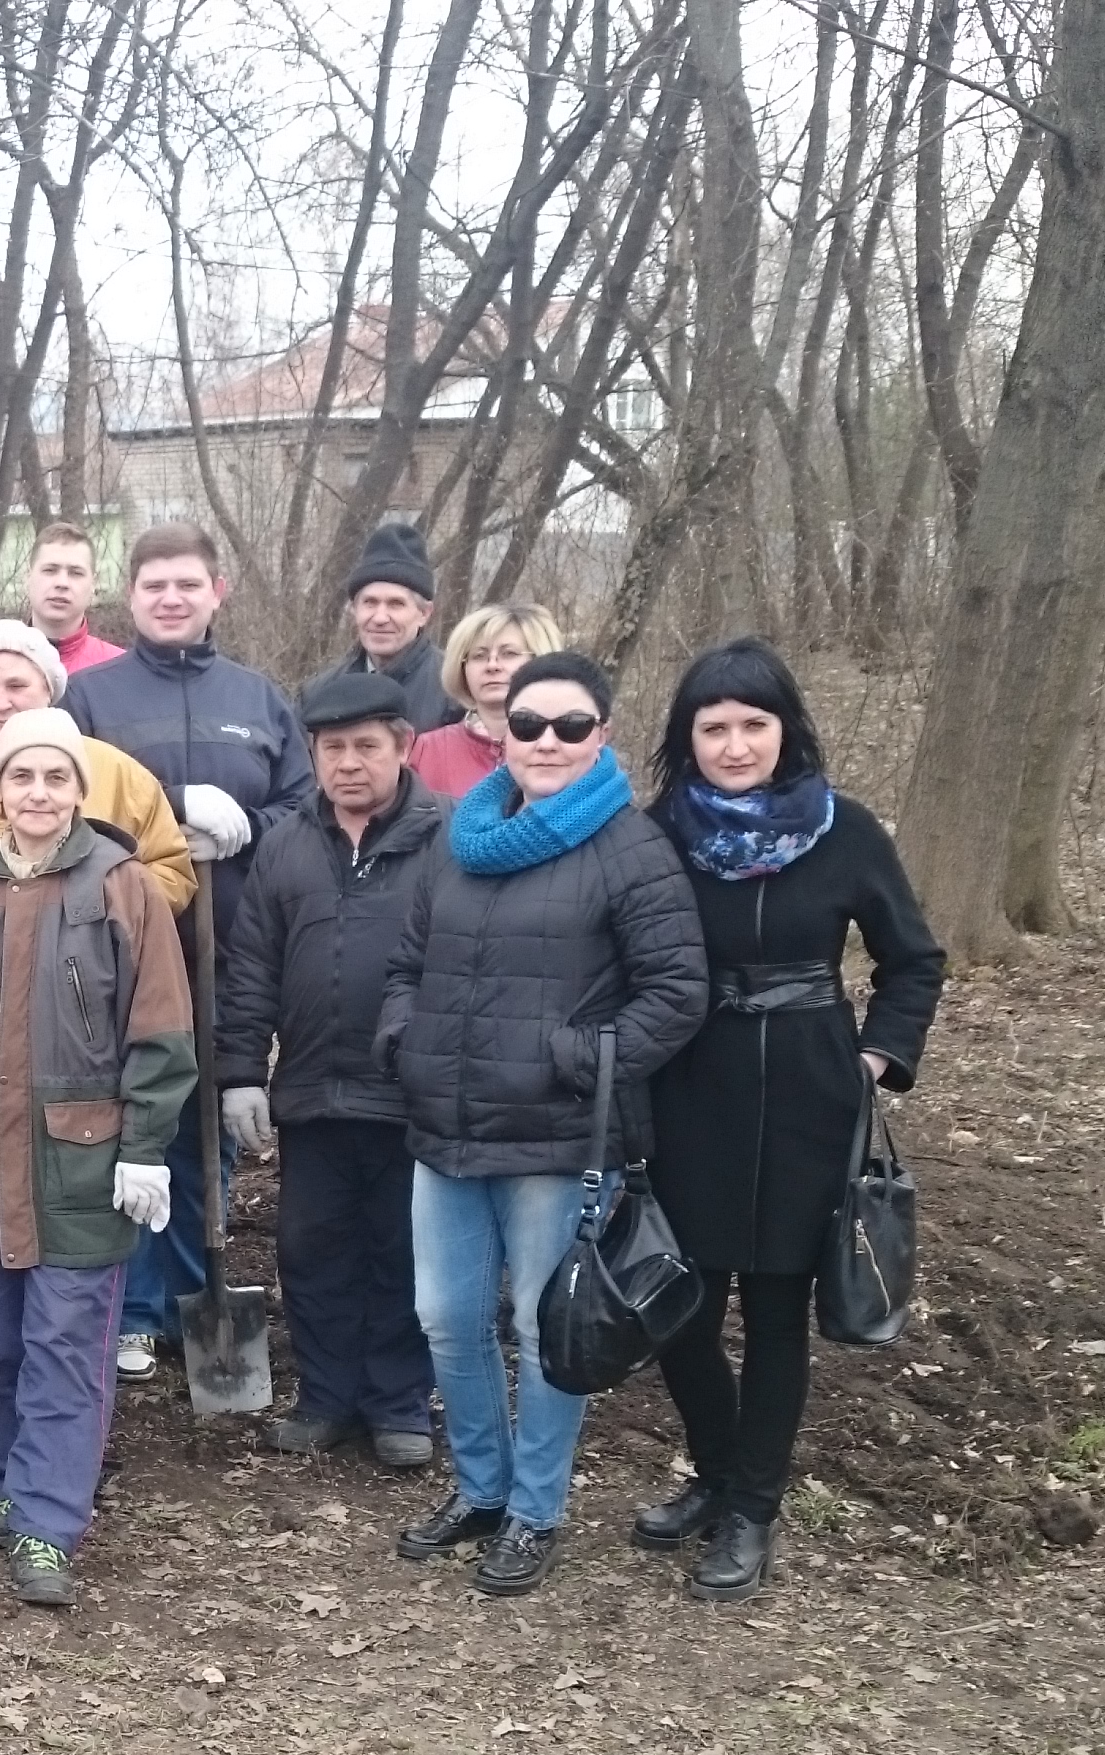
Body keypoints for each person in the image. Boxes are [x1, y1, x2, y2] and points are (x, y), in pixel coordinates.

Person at [378, 650, 706, 1596]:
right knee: (446, 1319)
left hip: (558, 1136)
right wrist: (406, 1038)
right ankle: (479, 1488)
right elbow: (408, 964)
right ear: (502, 733)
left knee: (543, 1325)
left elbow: (678, 991)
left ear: (602, 736)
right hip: (445, 1125)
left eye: (570, 726)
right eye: (529, 725)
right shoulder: (462, 835)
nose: (547, 742)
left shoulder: (631, 849)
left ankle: (535, 1509)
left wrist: (575, 1062)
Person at [637, 638, 945, 1601]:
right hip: (689, 1088)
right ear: (688, 739)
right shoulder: (658, 836)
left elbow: (913, 959)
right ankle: (719, 1470)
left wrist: (874, 1056)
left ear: (786, 731)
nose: (735, 745)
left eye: (753, 725)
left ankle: (752, 1511)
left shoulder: (845, 832)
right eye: (715, 727)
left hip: (810, 1090)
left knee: (775, 1313)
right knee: (679, 1309)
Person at [0, 709, 196, 1607]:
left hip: (79, 1159)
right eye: (21, 779)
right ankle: (6, 1485)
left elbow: (159, 1026)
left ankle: (47, 1521)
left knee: (65, 1343)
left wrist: (144, 1146)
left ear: (79, 789)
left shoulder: (121, 887)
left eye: (55, 778)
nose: (38, 794)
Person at [64, 521, 309, 1378]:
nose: (171, 599)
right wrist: (170, 805)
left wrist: (247, 832)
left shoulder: (261, 700)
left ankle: (191, 1299)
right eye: (154, 586)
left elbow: (304, 812)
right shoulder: (91, 699)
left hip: (233, 949)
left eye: (187, 585)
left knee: (209, 1133)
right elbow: (66, 803)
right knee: (134, 1125)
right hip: (121, 956)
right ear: (129, 598)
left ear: (217, 591)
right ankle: (129, 1308)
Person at [218, 670, 445, 1471]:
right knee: (312, 1248)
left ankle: (398, 1403)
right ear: (313, 754)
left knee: (401, 1249)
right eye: (333, 748)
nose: (350, 763)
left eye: (367, 747)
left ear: (402, 747)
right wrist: (240, 1069)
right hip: (312, 1092)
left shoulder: (448, 839)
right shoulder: (286, 846)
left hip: (410, 1095)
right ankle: (326, 1397)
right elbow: (251, 967)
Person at [0, 620, 193, 913]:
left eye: (16, 686)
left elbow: (173, 872)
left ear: (48, 690)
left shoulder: (118, 774)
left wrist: (99, 918)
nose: (1, 703)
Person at [305, 524, 454, 735]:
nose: (380, 618)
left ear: (424, 613)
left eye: (395, 604)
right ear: (353, 610)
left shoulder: (455, 691)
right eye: (370, 603)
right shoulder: (319, 693)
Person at [411, 600, 561, 797]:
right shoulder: (430, 749)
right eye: (479, 656)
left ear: (541, 659)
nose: (492, 665)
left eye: (509, 654)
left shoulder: (566, 743)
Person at [24, 520, 124, 681]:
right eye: (50, 570)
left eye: (76, 573)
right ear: (27, 578)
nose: (62, 583)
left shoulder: (119, 669)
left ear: (93, 583)